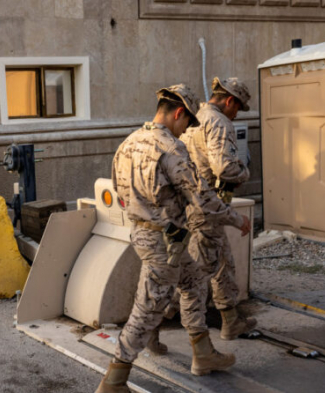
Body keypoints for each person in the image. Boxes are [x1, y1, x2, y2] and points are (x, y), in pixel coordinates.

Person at [96, 85, 251, 392]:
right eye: (187, 124)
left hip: (149, 235)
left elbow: (119, 192)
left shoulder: (128, 143)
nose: (185, 132)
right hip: (163, 244)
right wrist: (236, 219)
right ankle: (114, 379)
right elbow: (203, 199)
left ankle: (202, 352)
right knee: (146, 309)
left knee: (194, 281)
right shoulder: (170, 148)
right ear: (179, 113)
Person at [179, 77, 256, 341]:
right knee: (199, 272)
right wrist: (244, 172)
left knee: (224, 262)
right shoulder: (220, 121)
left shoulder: (196, 117)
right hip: (208, 205)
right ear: (230, 100)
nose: (236, 115)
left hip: (195, 203)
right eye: (238, 108)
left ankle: (230, 320)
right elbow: (224, 167)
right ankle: (192, 339)